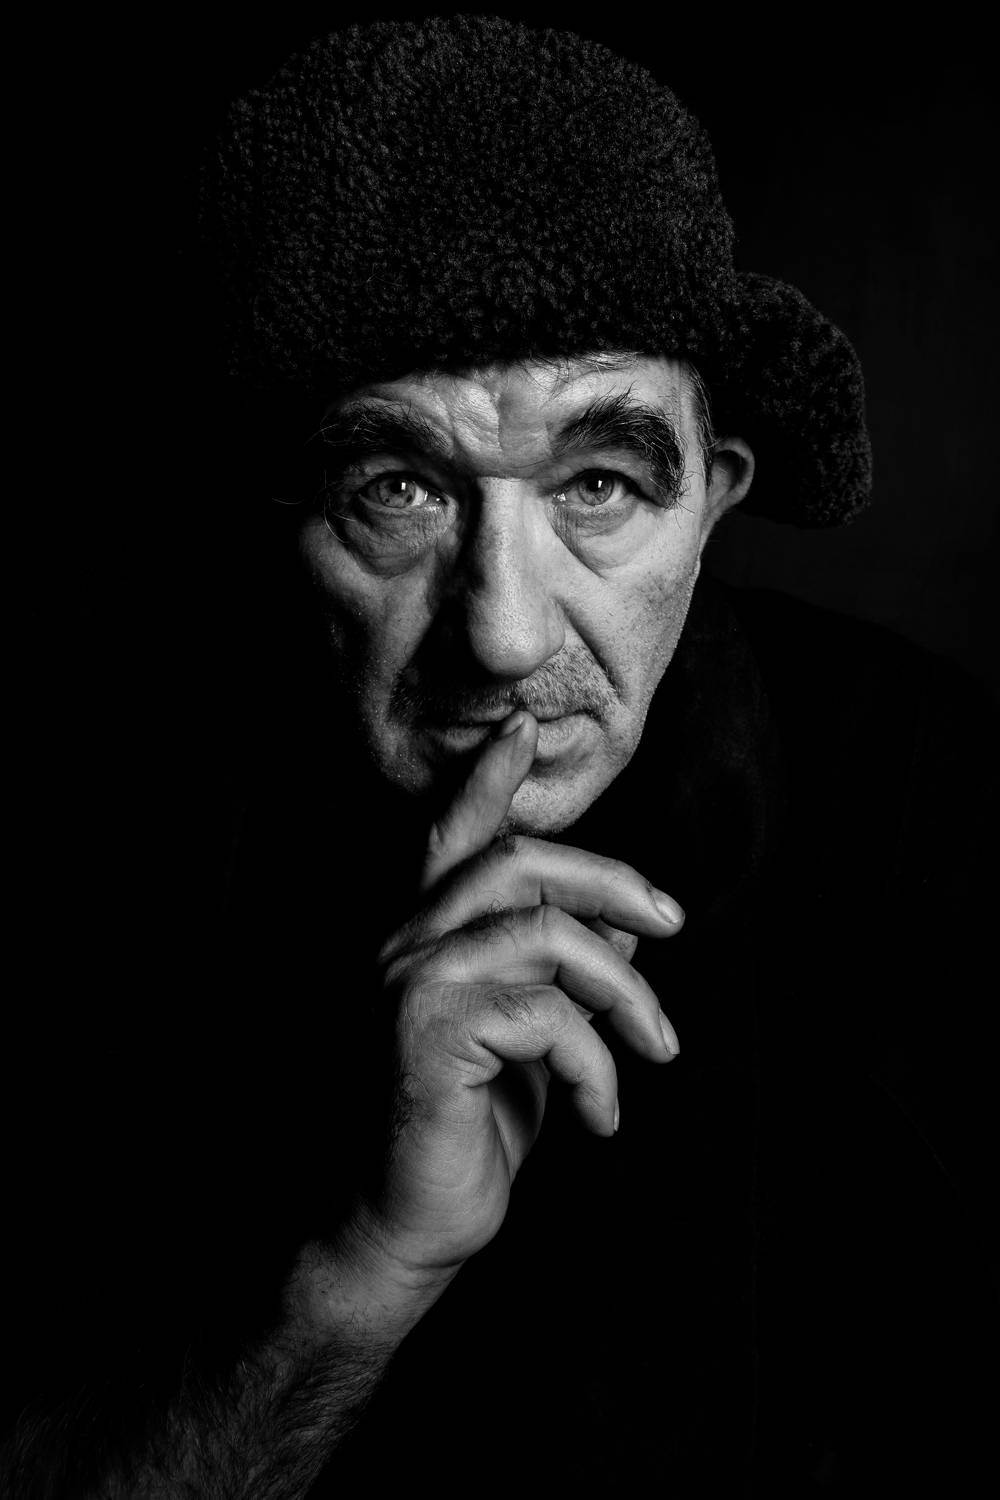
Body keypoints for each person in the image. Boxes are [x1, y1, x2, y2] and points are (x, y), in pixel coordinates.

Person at [4, 15, 996, 1497]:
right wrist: (360, 1274)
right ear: (273, 523)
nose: (506, 633)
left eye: (599, 484)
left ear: (716, 499)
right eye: (396, 490)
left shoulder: (937, 807)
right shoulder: (76, 844)